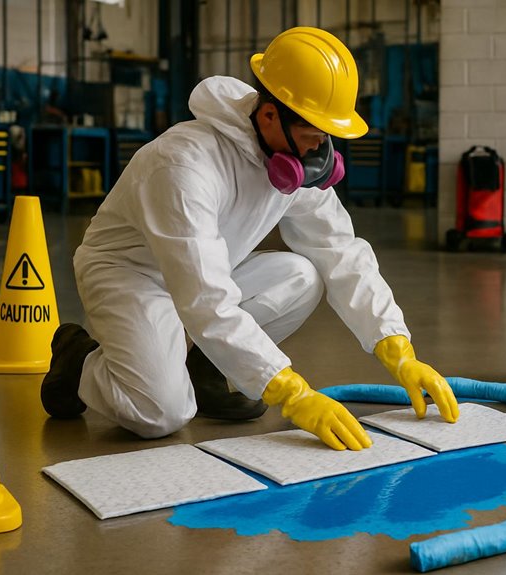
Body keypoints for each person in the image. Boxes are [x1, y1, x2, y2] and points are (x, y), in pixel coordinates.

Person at [41, 27, 459, 450]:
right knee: (160, 412)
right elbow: (205, 299)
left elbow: (340, 249)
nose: (321, 150)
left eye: (327, 136)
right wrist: (290, 392)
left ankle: (207, 369)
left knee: (303, 275)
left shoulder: (294, 154)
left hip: (206, 274)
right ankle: (78, 359)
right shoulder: (184, 165)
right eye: (314, 134)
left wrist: (397, 349)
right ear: (270, 115)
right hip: (132, 275)